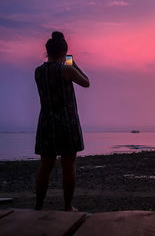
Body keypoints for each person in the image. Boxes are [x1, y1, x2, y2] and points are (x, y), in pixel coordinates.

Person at [34, 31, 89, 211]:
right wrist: (71, 61)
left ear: (47, 51)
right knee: (68, 166)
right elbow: (86, 82)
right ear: (64, 52)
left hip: (46, 123)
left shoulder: (38, 72)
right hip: (67, 123)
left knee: (46, 166)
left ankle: (39, 205)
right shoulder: (66, 68)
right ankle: (67, 206)